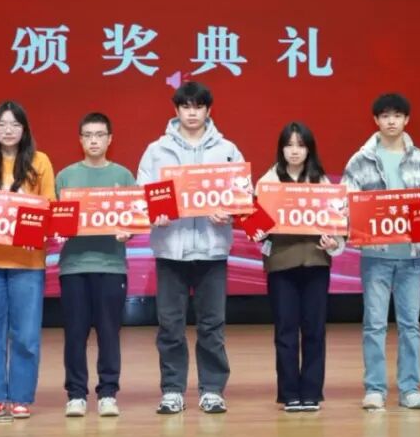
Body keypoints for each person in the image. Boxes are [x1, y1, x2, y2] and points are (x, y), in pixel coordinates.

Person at [138, 81, 243, 415]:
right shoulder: (156, 151)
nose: (192, 113)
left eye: (198, 106)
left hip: (212, 250)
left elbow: (243, 195)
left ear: (208, 110)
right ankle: (172, 390)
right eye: (186, 106)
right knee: (170, 325)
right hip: (171, 249)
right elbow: (142, 196)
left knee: (212, 325)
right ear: (176, 110)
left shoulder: (227, 150)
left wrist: (229, 212)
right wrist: (155, 214)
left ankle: (212, 390)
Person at [341, 93, 420, 410]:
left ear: (406, 120)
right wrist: (355, 222)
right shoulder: (360, 160)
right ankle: (375, 388)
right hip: (376, 257)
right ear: (376, 120)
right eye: (385, 116)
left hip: (411, 256)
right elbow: (346, 203)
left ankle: (410, 388)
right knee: (374, 325)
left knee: (410, 325)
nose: (391, 121)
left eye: (397, 115)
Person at [0, 101, 55, 419]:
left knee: (26, 335)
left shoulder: (40, 162)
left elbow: (49, 206)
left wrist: (38, 230)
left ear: (24, 129)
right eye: (2, 124)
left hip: (27, 262)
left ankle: (20, 397)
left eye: (15, 124)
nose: (8, 130)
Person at [251, 122, 344, 412]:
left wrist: (333, 242)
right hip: (281, 264)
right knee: (286, 330)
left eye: (300, 145)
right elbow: (255, 228)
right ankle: (289, 393)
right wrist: (259, 231)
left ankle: (312, 392)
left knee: (315, 329)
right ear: (281, 149)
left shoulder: (322, 182)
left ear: (309, 150)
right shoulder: (267, 183)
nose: (294, 151)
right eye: (289, 145)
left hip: (316, 262)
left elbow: (337, 227)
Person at [55, 112, 136, 418]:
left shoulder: (123, 176)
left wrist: (128, 231)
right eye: (88, 135)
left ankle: (108, 393)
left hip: (111, 265)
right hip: (74, 266)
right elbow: (55, 220)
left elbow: (135, 217)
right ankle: (76, 394)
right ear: (80, 139)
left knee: (109, 333)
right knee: (75, 334)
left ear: (109, 139)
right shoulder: (65, 177)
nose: (93, 140)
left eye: (100, 135)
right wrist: (58, 230)